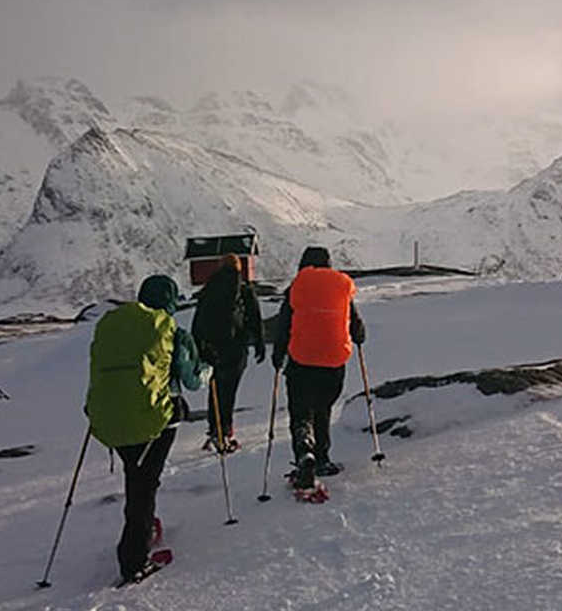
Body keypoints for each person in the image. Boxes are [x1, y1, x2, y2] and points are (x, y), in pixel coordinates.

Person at [85, 274, 203, 583]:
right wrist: (207, 369)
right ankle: (134, 560)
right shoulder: (173, 332)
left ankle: (145, 527)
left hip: (111, 416)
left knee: (136, 476)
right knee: (144, 484)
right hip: (156, 420)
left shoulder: (116, 328)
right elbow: (191, 380)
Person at [271, 245, 365, 488]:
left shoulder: (298, 286)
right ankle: (322, 458)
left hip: (302, 361)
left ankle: (304, 451)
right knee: (323, 409)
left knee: (301, 411)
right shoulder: (341, 286)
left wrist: (278, 355)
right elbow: (355, 323)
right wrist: (359, 337)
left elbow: (284, 325)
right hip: (334, 362)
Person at [191, 253, 266, 452]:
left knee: (215, 388)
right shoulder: (243, 289)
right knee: (229, 390)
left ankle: (214, 429)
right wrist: (258, 343)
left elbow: (198, 322)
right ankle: (226, 431)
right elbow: (255, 318)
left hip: (212, 349)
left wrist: (199, 348)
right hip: (236, 348)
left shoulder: (209, 288)